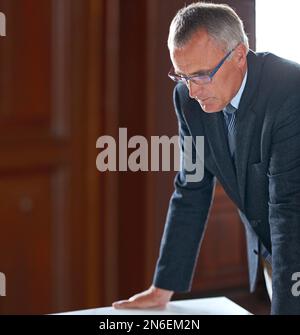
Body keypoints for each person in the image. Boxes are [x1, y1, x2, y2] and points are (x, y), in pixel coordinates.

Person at [112, 2, 300, 314]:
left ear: (239, 55)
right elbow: (191, 189)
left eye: (201, 75)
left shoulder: (290, 92)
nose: (193, 89)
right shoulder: (188, 100)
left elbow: (289, 211)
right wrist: (163, 287)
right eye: (182, 75)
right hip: (275, 256)